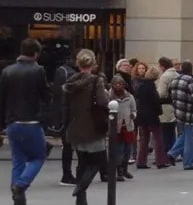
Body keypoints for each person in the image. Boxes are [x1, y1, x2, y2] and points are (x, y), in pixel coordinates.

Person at [0, 39, 51, 205]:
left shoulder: (7, 71)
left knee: (18, 159)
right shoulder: (39, 71)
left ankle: (17, 197)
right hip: (31, 121)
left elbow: (2, 99)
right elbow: (45, 96)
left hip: (12, 122)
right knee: (39, 156)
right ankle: (20, 186)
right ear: (36, 54)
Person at [64, 49, 111, 205]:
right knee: (99, 161)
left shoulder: (71, 81)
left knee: (82, 162)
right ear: (93, 64)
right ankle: (81, 186)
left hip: (75, 125)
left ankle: (81, 200)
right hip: (92, 125)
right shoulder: (96, 80)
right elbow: (102, 101)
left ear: (78, 63)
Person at [49, 52, 78, 187]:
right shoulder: (71, 73)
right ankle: (67, 175)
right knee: (69, 145)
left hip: (62, 113)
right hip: (70, 115)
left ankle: (67, 174)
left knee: (68, 145)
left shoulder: (62, 71)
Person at [166, 60, 193, 170]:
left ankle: (172, 153)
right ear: (191, 69)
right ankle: (188, 162)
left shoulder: (174, 80)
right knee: (189, 138)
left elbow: (169, 95)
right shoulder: (191, 81)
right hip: (188, 112)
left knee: (183, 135)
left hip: (178, 111)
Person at [134, 66, 168, 170]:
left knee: (144, 139)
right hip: (151, 115)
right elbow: (155, 101)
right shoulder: (151, 86)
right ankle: (160, 161)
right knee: (158, 138)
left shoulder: (141, 85)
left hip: (142, 114)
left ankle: (141, 161)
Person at [108, 76, 137, 181]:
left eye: (120, 84)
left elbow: (134, 110)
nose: (118, 86)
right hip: (116, 127)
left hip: (128, 127)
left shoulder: (130, 97)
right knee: (118, 150)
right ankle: (119, 171)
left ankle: (125, 169)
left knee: (127, 150)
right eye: (116, 84)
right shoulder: (109, 96)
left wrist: (133, 116)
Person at [155, 57, 178, 160]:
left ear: (163, 66)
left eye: (159, 66)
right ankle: (173, 153)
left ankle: (165, 155)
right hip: (175, 106)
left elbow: (161, 93)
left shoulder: (165, 76)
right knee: (172, 131)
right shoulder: (177, 74)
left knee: (164, 133)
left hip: (165, 107)